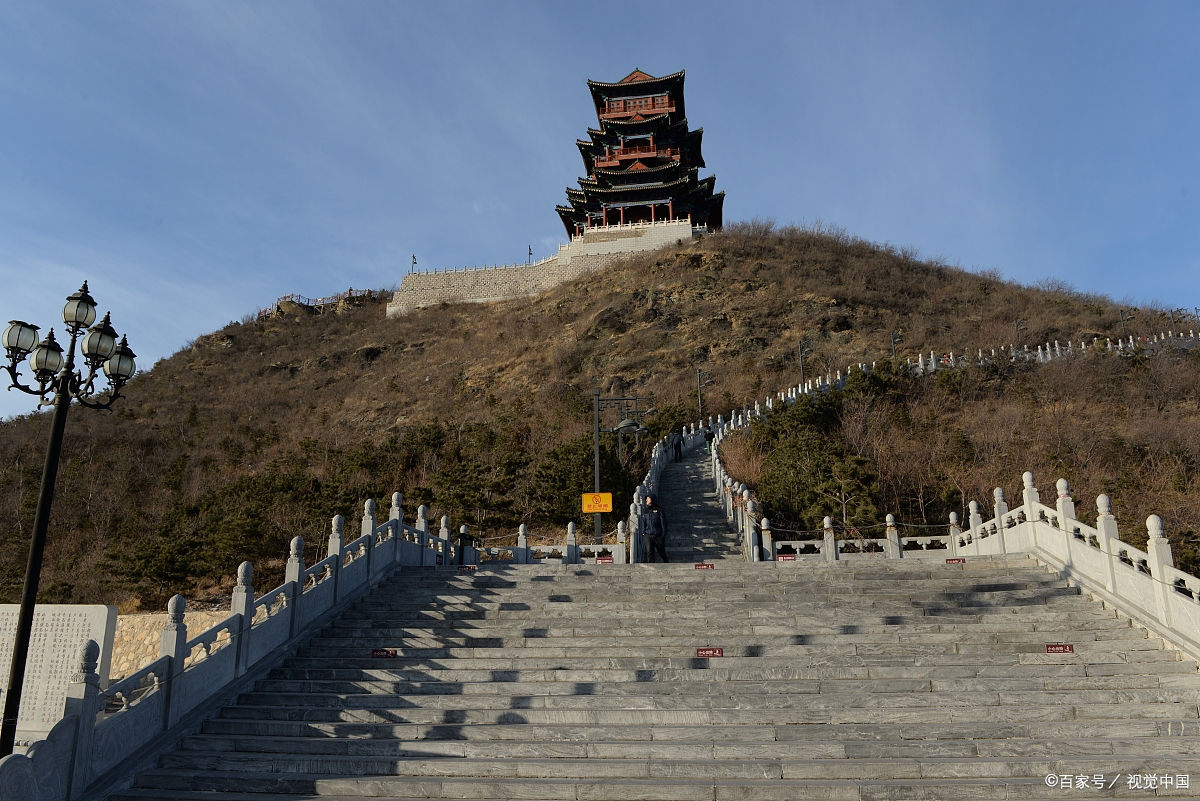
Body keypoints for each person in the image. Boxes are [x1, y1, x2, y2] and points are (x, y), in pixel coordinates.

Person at [640, 494, 669, 562]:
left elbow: (663, 521)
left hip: (658, 535)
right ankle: (651, 569)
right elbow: (643, 522)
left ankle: (666, 566)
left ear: (652, 499)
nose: (646, 500)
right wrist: (643, 532)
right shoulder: (646, 510)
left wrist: (663, 534)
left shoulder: (659, 509)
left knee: (662, 553)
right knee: (649, 553)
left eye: (648, 498)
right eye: (646, 499)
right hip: (648, 535)